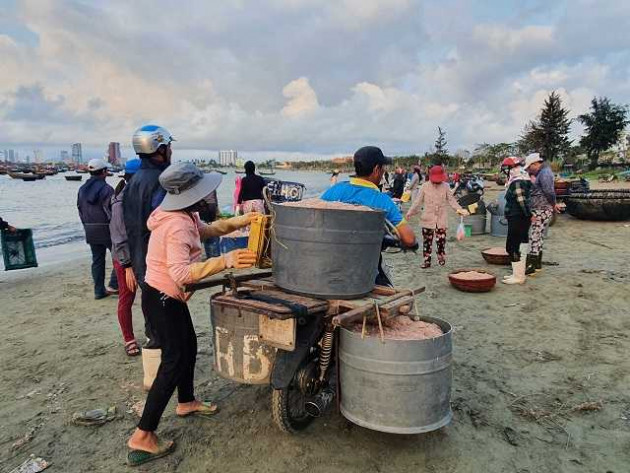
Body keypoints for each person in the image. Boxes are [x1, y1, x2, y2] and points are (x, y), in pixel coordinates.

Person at [126, 162, 258, 466]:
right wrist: (227, 260)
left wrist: (243, 220)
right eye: (204, 192)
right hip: (162, 297)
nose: (209, 195)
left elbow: (209, 230)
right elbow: (182, 273)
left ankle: (186, 402)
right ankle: (143, 435)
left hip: (166, 296)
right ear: (190, 194)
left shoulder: (185, 214)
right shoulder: (176, 224)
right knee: (172, 361)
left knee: (189, 348)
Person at [123, 124, 173, 349]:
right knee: (167, 318)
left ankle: (154, 347)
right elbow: (163, 223)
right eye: (168, 146)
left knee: (151, 308)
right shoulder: (161, 181)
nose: (171, 151)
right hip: (158, 260)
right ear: (159, 148)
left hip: (138, 256)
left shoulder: (132, 181)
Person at [321, 146, 417, 250]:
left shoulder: (335, 190)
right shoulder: (382, 201)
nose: (384, 171)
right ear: (376, 169)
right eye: (383, 167)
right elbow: (409, 239)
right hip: (367, 261)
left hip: (331, 257)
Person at [405, 165, 469, 268]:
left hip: (441, 219)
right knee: (427, 242)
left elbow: (451, 200)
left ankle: (441, 256)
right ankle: (427, 261)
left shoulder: (446, 186)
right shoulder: (424, 186)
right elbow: (417, 201)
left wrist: (459, 209)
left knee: (441, 240)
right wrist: (410, 212)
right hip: (427, 218)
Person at [110, 158, 141, 356]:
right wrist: (128, 265)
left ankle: (152, 331)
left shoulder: (138, 197)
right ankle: (129, 339)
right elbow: (119, 235)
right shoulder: (120, 201)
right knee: (126, 296)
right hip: (125, 257)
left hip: (140, 253)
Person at [77, 158, 118, 299]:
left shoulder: (82, 190)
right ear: (104, 172)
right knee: (119, 256)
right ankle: (114, 284)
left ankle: (99, 291)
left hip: (90, 229)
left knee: (97, 260)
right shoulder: (107, 189)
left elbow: (80, 210)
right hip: (106, 228)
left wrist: (86, 225)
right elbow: (111, 211)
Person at [524, 153, 560, 276]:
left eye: (529, 167)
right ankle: (537, 263)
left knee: (535, 235)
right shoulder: (542, 172)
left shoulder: (544, 173)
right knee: (539, 235)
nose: (529, 170)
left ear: (536, 164)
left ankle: (532, 266)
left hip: (541, 209)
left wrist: (553, 204)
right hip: (543, 207)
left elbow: (549, 191)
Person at [501, 157, 532, 285]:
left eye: (506, 169)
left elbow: (522, 201)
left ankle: (519, 276)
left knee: (512, 247)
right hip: (522, 218)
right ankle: (517, 274)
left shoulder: (517, 182)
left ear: (511, 168)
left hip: (517, 217)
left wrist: (528, 215)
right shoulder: (524, 178)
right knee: (522, 244)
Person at [199, 190, 221, 258]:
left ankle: (212, 256)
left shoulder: (194, 181)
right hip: (211, 206)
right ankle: (214, 256)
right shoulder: (210, 182)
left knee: (199, 233)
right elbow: (214, 198)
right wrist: (217, 210)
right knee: (211, 232)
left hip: (200, 207)